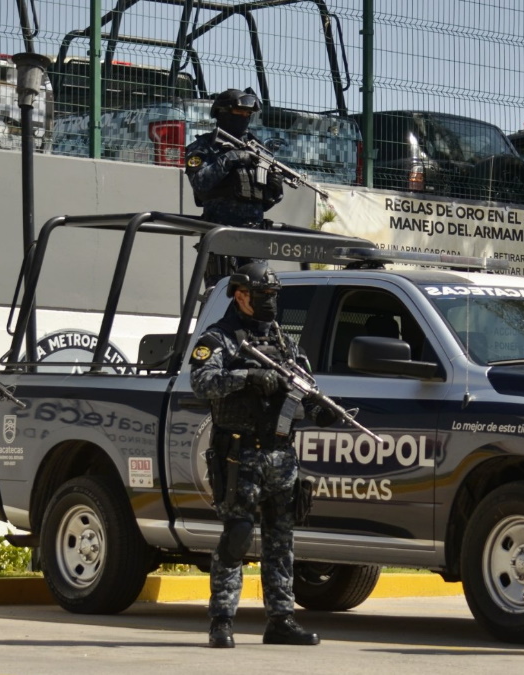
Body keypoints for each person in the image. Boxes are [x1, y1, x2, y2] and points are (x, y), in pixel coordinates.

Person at [189, 261, 338, 648]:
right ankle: (221, 620)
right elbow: (201, 382)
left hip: (280, 456)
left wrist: (320, 409)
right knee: (237, 536)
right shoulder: (219, 338)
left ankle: (281, 620)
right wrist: (248, 377)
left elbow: (306, 385)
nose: (271, 303)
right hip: (239, 455)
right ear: (241, 295)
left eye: (274, 296)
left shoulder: (282, 341)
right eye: (264, 296)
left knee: (281, 539)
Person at [185, 87, 285, 283]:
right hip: (221, 236)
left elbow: (266, 201)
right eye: (239, 113)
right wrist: (230, 158)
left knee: (258, 295)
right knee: (221, 295)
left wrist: (275, 187)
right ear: (222, 113)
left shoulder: (258, 149)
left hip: (254, 236)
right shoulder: (204, 147)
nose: (244, 118)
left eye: (248, 114)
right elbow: (200, 183)